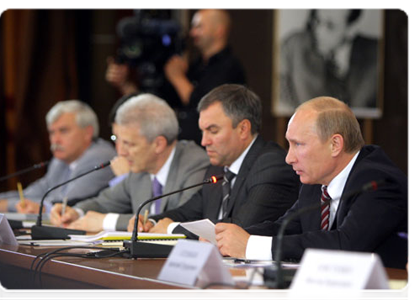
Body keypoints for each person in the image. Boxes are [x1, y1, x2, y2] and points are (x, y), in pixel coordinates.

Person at [215, 96, 411, 269]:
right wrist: (228, 238)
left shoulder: (380, 182)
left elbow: (346, 244)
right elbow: (286, 227)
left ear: (335, 145)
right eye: (289, 144)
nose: (288, 158)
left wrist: (250, 245)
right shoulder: (315, 181)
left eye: (298, 144)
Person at [128, 84, 300, 236]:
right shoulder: (218, 169)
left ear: (243, 129)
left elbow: (240, 230)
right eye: (203, 131)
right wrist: (151, 221)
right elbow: (187, 212)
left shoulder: (271, 166)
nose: (204, 141)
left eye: (213, 131)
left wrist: (172, 229)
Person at [50, 94, 210, 232]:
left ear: (158, 144)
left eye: (130, 144)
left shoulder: (194, 164)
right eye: (118, 141)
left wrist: (106, 221)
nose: (121, 152)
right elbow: (102, 203)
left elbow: (181, 221)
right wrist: (75, 212)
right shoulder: (140, 170)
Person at [106, 8, 246, 145]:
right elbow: (161, 104)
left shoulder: (229, 67)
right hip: (182, 144)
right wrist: (124, 83)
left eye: (199, 27)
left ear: (219, 30)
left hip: (208, 148)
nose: (192, 33)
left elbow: (207, 108)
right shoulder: (196, 65)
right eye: (192, 27)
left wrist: (178, 78)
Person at [0, 100, 116, 213]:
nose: (55, 140)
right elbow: (31, 193)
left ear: (88, 133)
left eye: (63, 131)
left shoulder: (100, 157)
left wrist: (4, 205)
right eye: (52, 132)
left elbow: (65, 201)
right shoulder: (61, 160)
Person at [279, 9, 379, 114]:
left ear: (351, 30)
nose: (318, 31)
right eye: (317, 21)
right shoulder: (295, 46)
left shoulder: (376, 56)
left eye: (330, 26)